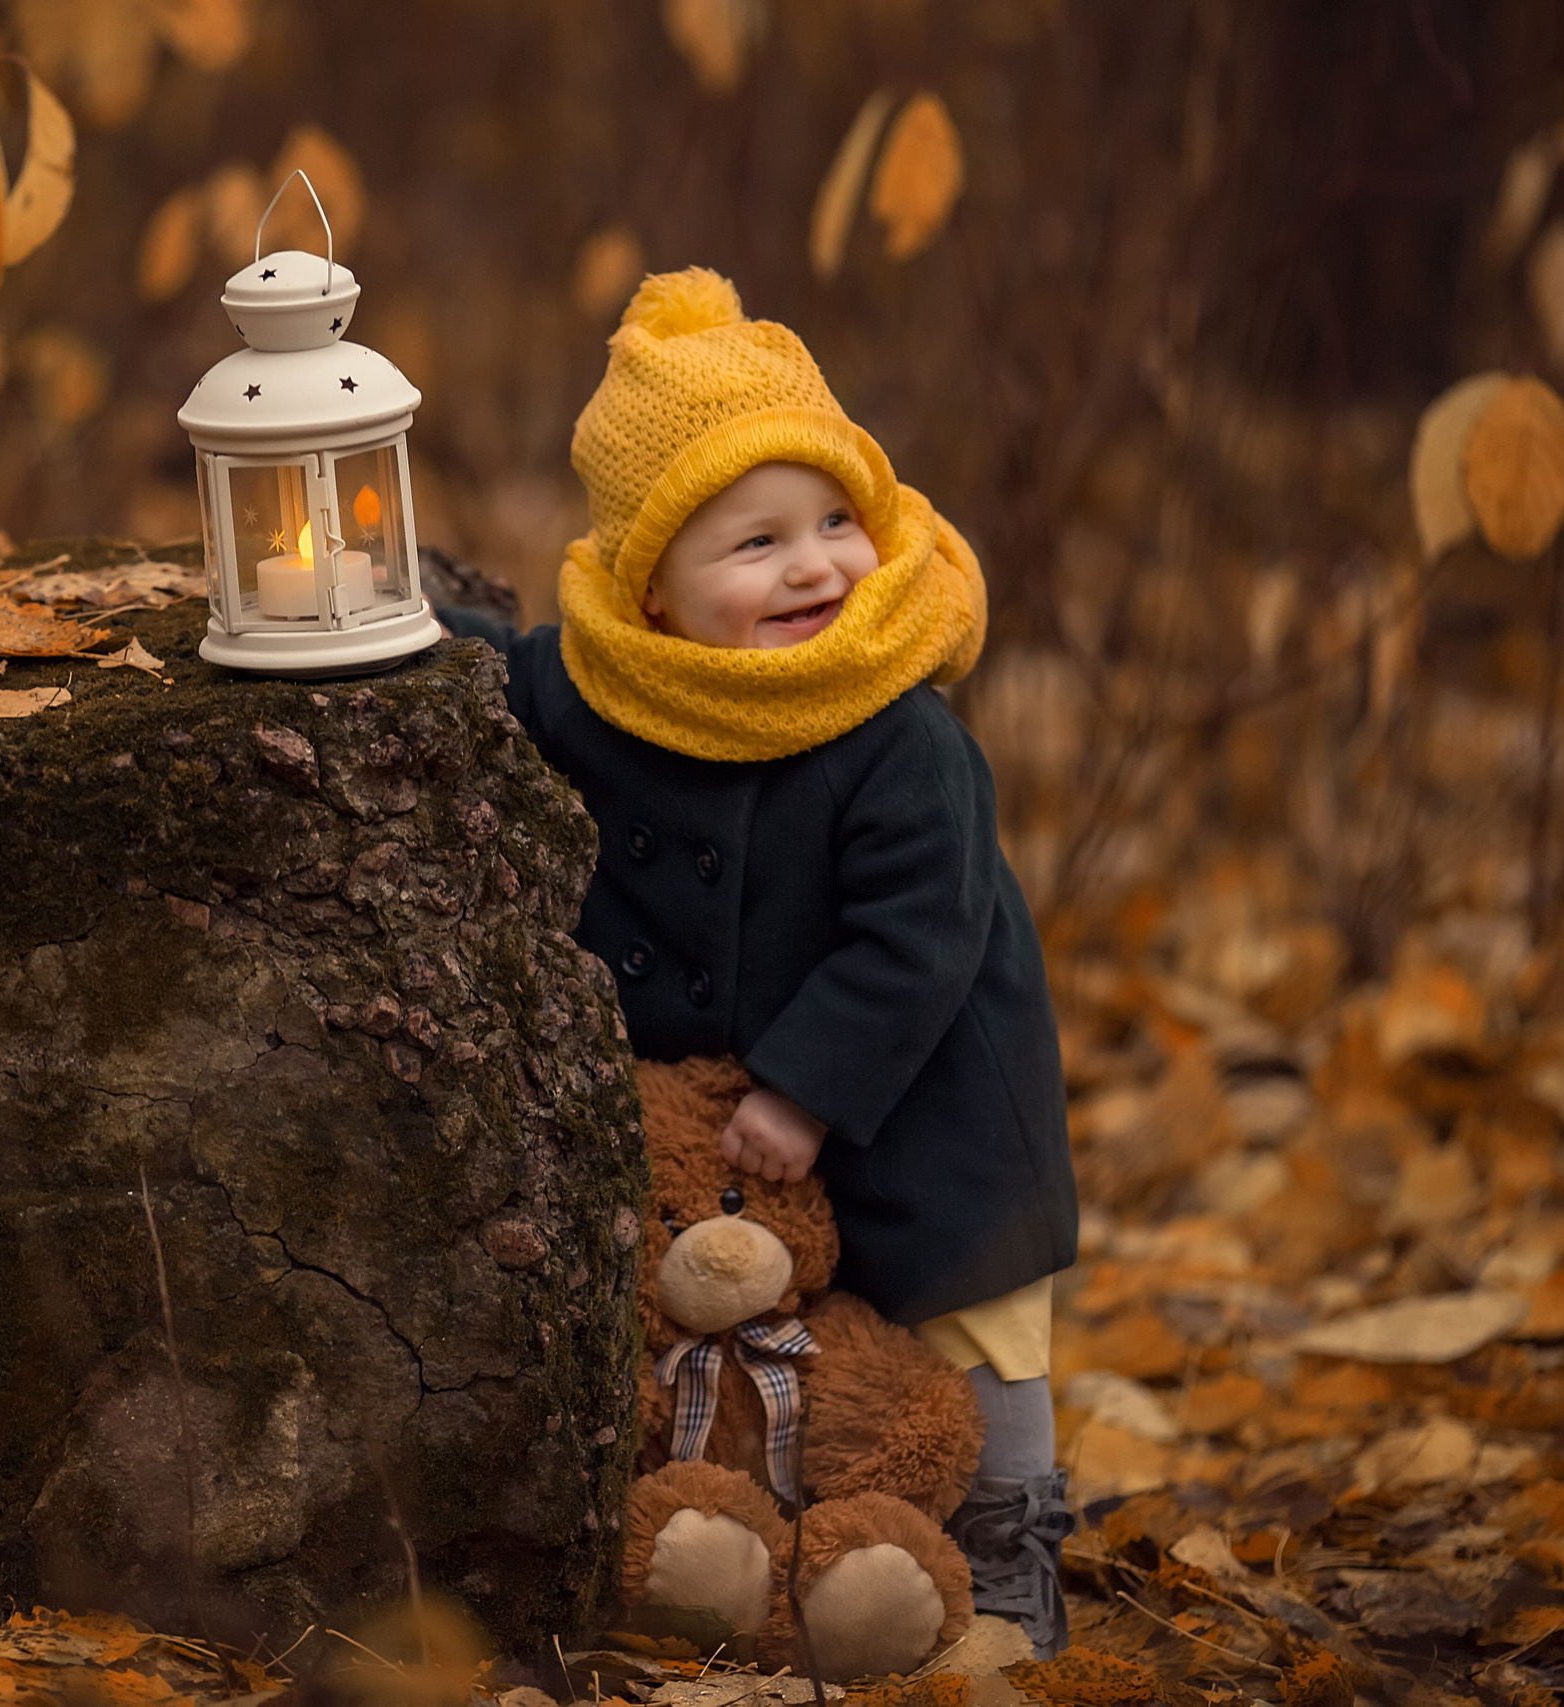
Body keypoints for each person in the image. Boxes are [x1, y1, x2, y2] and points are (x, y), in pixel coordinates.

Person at [436, 268, 1080, 1656]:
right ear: (653, 592)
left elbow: (921, 931)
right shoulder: (621, 687)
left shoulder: (899, 730)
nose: (815, 566)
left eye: (838, 519)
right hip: (732, 1139)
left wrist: (808, 1086)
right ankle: (795, 1562)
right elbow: (518, 677)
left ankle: (1016, 1542)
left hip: (927, 1099)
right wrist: (396, 633)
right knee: (791, 1349)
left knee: (976, 1321)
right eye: (757, 542)